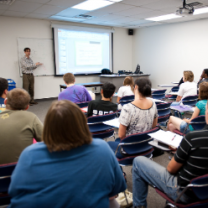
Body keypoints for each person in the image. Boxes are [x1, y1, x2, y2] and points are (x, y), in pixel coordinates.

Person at [8, 100, 126, 208]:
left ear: (48, 126)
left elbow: (15, 193)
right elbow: (116, 189)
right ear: (82, 123)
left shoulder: (29, 155)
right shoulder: (102, 149)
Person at [132, 101, 208, 208]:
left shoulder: (193, 138)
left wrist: (179, 152)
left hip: (185, 193)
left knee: (138, 162)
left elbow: (171, 169)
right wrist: (182, 151)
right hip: (205, 193)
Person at [0, 88, 43, 165]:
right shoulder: (31, 117)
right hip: (23, 167)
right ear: (27, 107)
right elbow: (46, 140)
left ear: (5, 102)